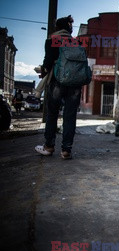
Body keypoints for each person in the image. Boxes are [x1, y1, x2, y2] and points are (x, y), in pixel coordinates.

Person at [34, 15, 82, 160]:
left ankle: (49, 147)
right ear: (69, 28)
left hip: (57, 82)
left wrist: (42, 72)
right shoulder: (76, 42)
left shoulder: (52, 40)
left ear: (57, 27)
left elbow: (48, 63)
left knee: (52, 114)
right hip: (74, 84)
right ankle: (66, 150)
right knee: (70, 116)